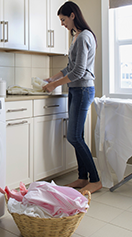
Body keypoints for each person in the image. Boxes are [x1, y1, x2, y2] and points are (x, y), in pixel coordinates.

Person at [42, 1, 102, 193]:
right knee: (78, 135)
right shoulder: (76, 37)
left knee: (74, 137)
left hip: (83, 89)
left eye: (63, 19)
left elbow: (78, 72)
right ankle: (82, 178)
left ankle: (96, 179)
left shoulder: (84, 37)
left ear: (72, 16)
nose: (62, 24)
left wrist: (53, 85)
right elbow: (70, 68)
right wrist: (53, 77)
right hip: (76, 90)